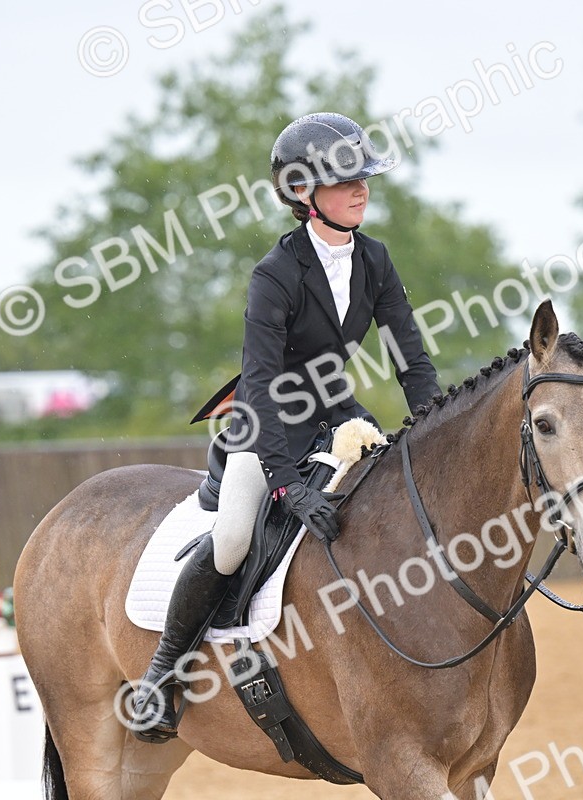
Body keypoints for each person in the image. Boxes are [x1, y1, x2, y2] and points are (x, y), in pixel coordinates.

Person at [132, 112, 442, 741]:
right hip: (262, 424)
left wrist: (436, 425)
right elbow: (265, 381)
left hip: (334, 413)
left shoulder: (375, 259)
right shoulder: (275, 274)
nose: (362, 190)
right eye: (345, 180)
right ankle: (163, 675)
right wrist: (284, 483)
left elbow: (409, 355)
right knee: (233, 541)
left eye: (364, 178)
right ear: (303, 192)